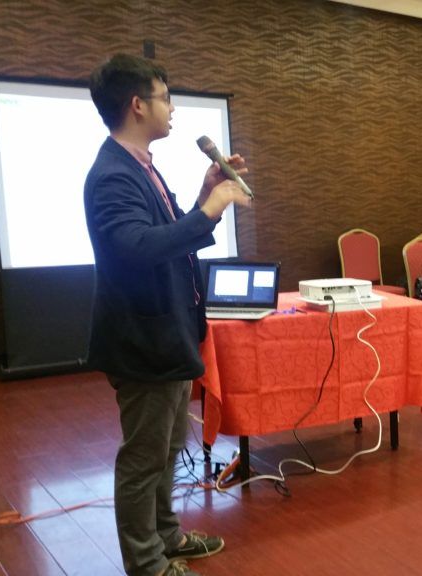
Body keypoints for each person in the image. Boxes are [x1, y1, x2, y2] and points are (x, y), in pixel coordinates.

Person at [85, 54, 250, 576]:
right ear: (137, 105)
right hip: (143, 339)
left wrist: (202, 196)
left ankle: (167, 536)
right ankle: (148, 564)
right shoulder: (112, 174)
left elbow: (165, 237)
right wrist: (210, 210)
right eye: (165, 97)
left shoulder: (142, 166)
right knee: (144, 457)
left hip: (170, 334)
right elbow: (134, 248)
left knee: (167, 448)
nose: (172, 108)